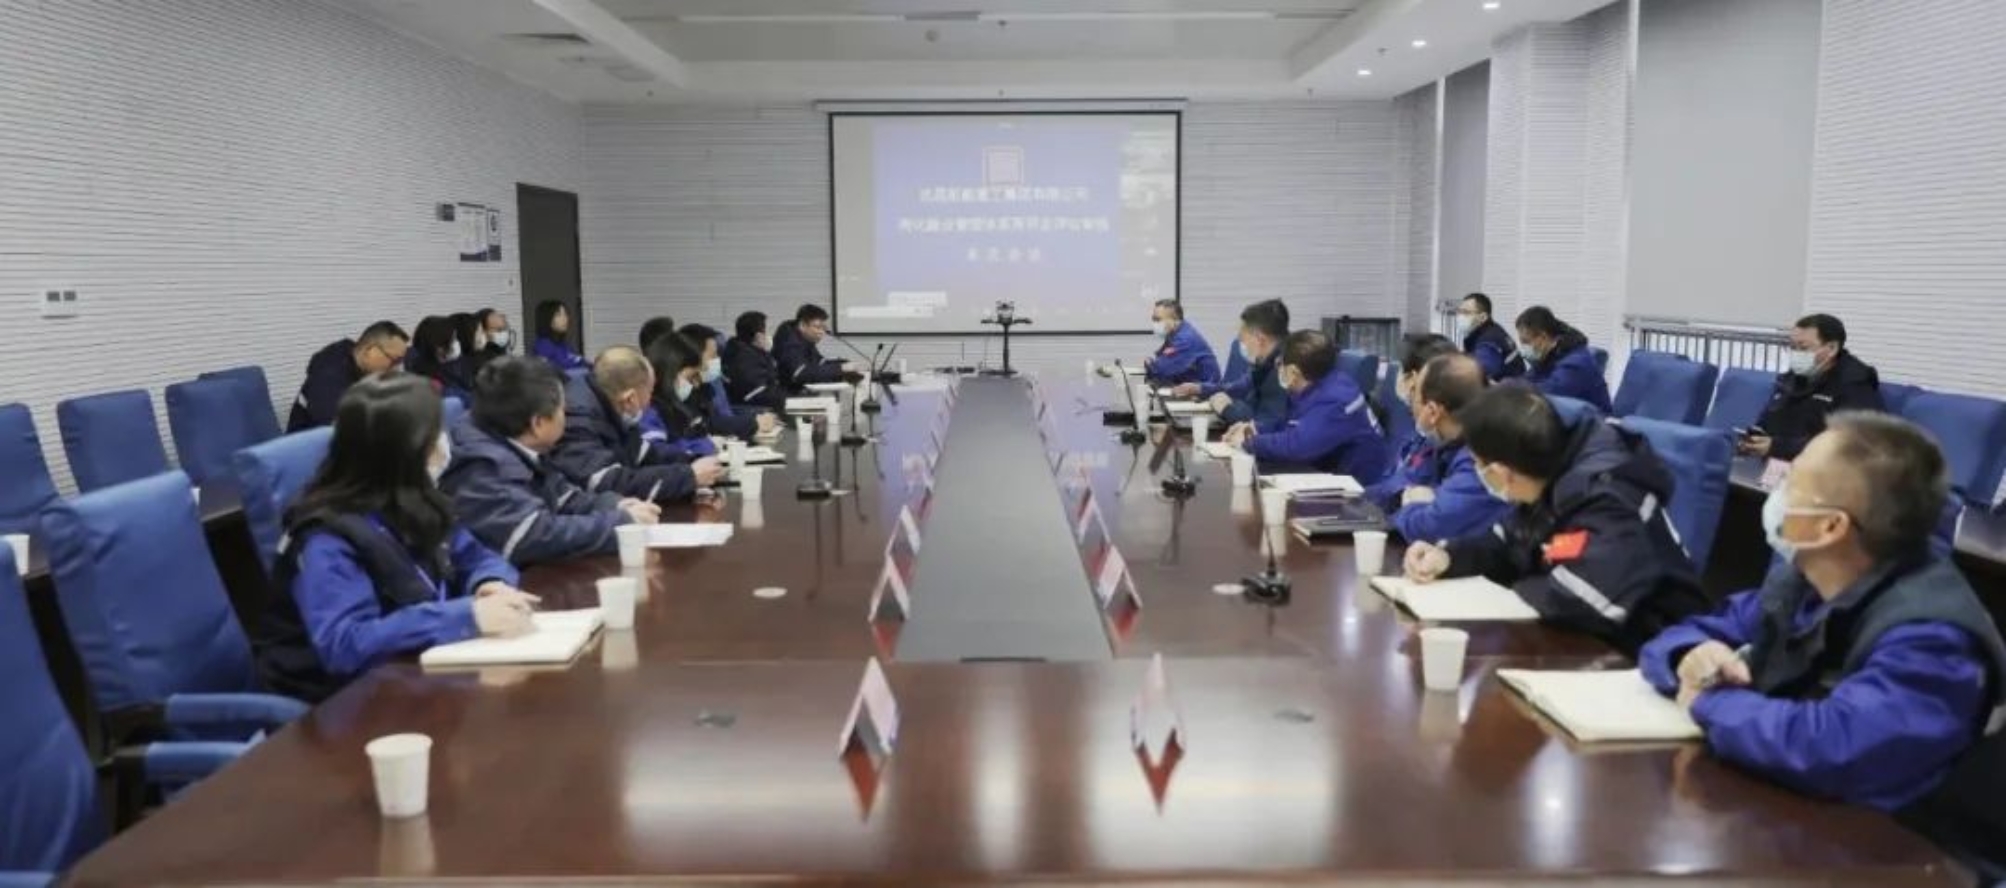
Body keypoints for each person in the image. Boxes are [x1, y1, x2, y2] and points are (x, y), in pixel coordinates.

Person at [1639, 413, 2006, 872]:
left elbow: (1832, 747)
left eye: (1791, 482)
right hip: (1796, 822)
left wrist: (1709, 700)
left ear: (1831, 527)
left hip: (1908, 858)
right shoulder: (1807, 583)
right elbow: (1686, 632)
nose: (1777, 492)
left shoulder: (1935, 639)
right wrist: (1689, 656)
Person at [255, 373, 541, 703]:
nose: (444, 448)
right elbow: (345, 645)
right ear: (403, 453)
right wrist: (466, 616)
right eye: (434, 439)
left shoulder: (415, 501)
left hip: (421, 677)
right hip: (340, 704)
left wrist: (489, 582)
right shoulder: (325, 537)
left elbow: (474, 554)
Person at [1402, 384, 1708, 655]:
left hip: (1649, 653)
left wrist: (1503, 593)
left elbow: (1581, 598)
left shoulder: (1609, 494)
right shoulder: (1548, 471)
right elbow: (1506, 543)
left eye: (1477, 464)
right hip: (1579, 644)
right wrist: (1448, 557)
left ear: (1500, 472)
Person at [439, 357, 659, 566]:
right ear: (538, 423)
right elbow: (532, 536)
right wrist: (619, 525)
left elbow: (562, 496)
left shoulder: (517, 441)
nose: (567, 417)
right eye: (562, 410)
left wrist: (615, 505)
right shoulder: (483, 465)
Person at [549, 345, 720, 504]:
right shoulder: (578, 419)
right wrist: (688, 477)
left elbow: (647, 456)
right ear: (630, 398)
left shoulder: (609, 403)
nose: (650, 401)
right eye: (650, 392)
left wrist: (695, 462)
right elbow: (606, 482)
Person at [1367, 354, 1509, 544]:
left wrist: (1410, 506)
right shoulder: (1442, 443)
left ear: (1433, 412)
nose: (1410, 405)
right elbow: (1403, 486)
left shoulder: (1481, 457)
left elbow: (1431, 526)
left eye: (1415, 397)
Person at [1223, 331, 1390, 484]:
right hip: (1327, 470)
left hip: (1360, 489)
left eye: (1280, 363)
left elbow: (1297, 446)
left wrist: (1249, 443)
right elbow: (1292, 424)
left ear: (1293, 372)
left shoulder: (1336, 398)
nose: (1278, 368)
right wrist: (1255, 429)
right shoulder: (1315, 385)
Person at [1742, 314, 1885, 461]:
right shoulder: (1792, 378)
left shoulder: (1854, 383)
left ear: (1832, 348)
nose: (1796, 354)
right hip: (1782, 463)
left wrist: (1777, 447)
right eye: (1792, 347)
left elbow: (1848, 442)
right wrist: (1755, 438)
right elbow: (1770, 418)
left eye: (1803, 348)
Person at [1173, 299, 1290, 431]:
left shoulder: (1283, 370)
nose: (1239, 343)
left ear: (1260, 339)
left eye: (1243, 339)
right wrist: (1200, 389)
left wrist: (1226, 409)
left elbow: (1266, 425)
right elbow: (1240, 386)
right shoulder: (1266, 361)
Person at [288, 321, 410, 432]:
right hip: (307, 445)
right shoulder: (328, 379)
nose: (396, 369)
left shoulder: (362, 365)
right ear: (371, 351)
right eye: (395, 360)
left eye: (400, 362)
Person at [1365, 332, 1457, 462]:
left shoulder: (1444, 445)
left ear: (1412, 379)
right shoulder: (1419, 432)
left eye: (1401, 370)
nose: (1397, 376)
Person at [681, 323, 777, 440]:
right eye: (713, 356)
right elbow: (705, 425)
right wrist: (752, 423)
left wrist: (756, 417)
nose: (717, 361)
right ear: (693, 356)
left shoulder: (706, 385)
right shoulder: (682, 390)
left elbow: (719, 416)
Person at [1516, 306, 1611, 413]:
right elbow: (1528, 379)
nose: (1523, 348)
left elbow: (1548, 393)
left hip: (1595, 421)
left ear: (1543, 337)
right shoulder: (1549, 355)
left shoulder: (1576, 362)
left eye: (1526, 342)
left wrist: (1510, 389)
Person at [771, 304, 857, 390]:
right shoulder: (789, 343)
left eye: (824, 328)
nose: (822, 332)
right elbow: (801, 374)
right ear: (802, 325)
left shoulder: (805, 340)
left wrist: (843, 363)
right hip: (788, 393)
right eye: (818, 327)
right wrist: (840, 368)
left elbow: (819, 362)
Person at [1142, 299, 1220, 388]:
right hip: (1189, 386)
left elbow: (1161, 370)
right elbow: (1161, 358)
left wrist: (1149, 363)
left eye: (1158, 319)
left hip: (1204, 390)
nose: (1155, 323)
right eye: (1153, 319)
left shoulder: (1185, 339)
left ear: (1175, 319)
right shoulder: (1175, 333)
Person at [723, 311, 786, 411]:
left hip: (762, 405)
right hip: (753, 410)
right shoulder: (745, 358)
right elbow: (756, 394)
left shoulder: (750, 352)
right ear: (758, 336)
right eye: (766, 332)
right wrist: (787, 398)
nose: (768, 336)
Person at [1456, 292, 1525, 382]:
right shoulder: (1491, 330)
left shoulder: (1489, 341)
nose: (1460, 316)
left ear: (1483, 317)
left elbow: (1478, 373)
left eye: (1466, 312)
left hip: (1507, 389)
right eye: (1459, 311)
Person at [404, 315, 471, 402]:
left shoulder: (435, 362)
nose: (456, 343)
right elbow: (466, 398)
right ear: (438, 344)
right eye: (452, 339)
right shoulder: (429, 379)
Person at [531, 300, 588, 371]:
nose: (565, 319)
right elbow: (560, 369)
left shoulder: (563, 345)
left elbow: (581, 361)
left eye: (565, 314)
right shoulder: (543, 346)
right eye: (558, 315)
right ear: (546, 319)